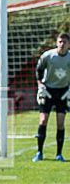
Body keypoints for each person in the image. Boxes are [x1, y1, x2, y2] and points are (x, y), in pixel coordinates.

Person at [33, 32, 70, 162]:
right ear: (56, 43)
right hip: (48, 90)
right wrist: (40, 86)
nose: (62, 44)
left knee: (60, 122)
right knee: (43, 120)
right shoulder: (48, 56)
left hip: (63, 91)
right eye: (60, 41)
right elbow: (38, 70)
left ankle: (59, 154)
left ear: (69, 44)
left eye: (64, 42)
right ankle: (39, 152)